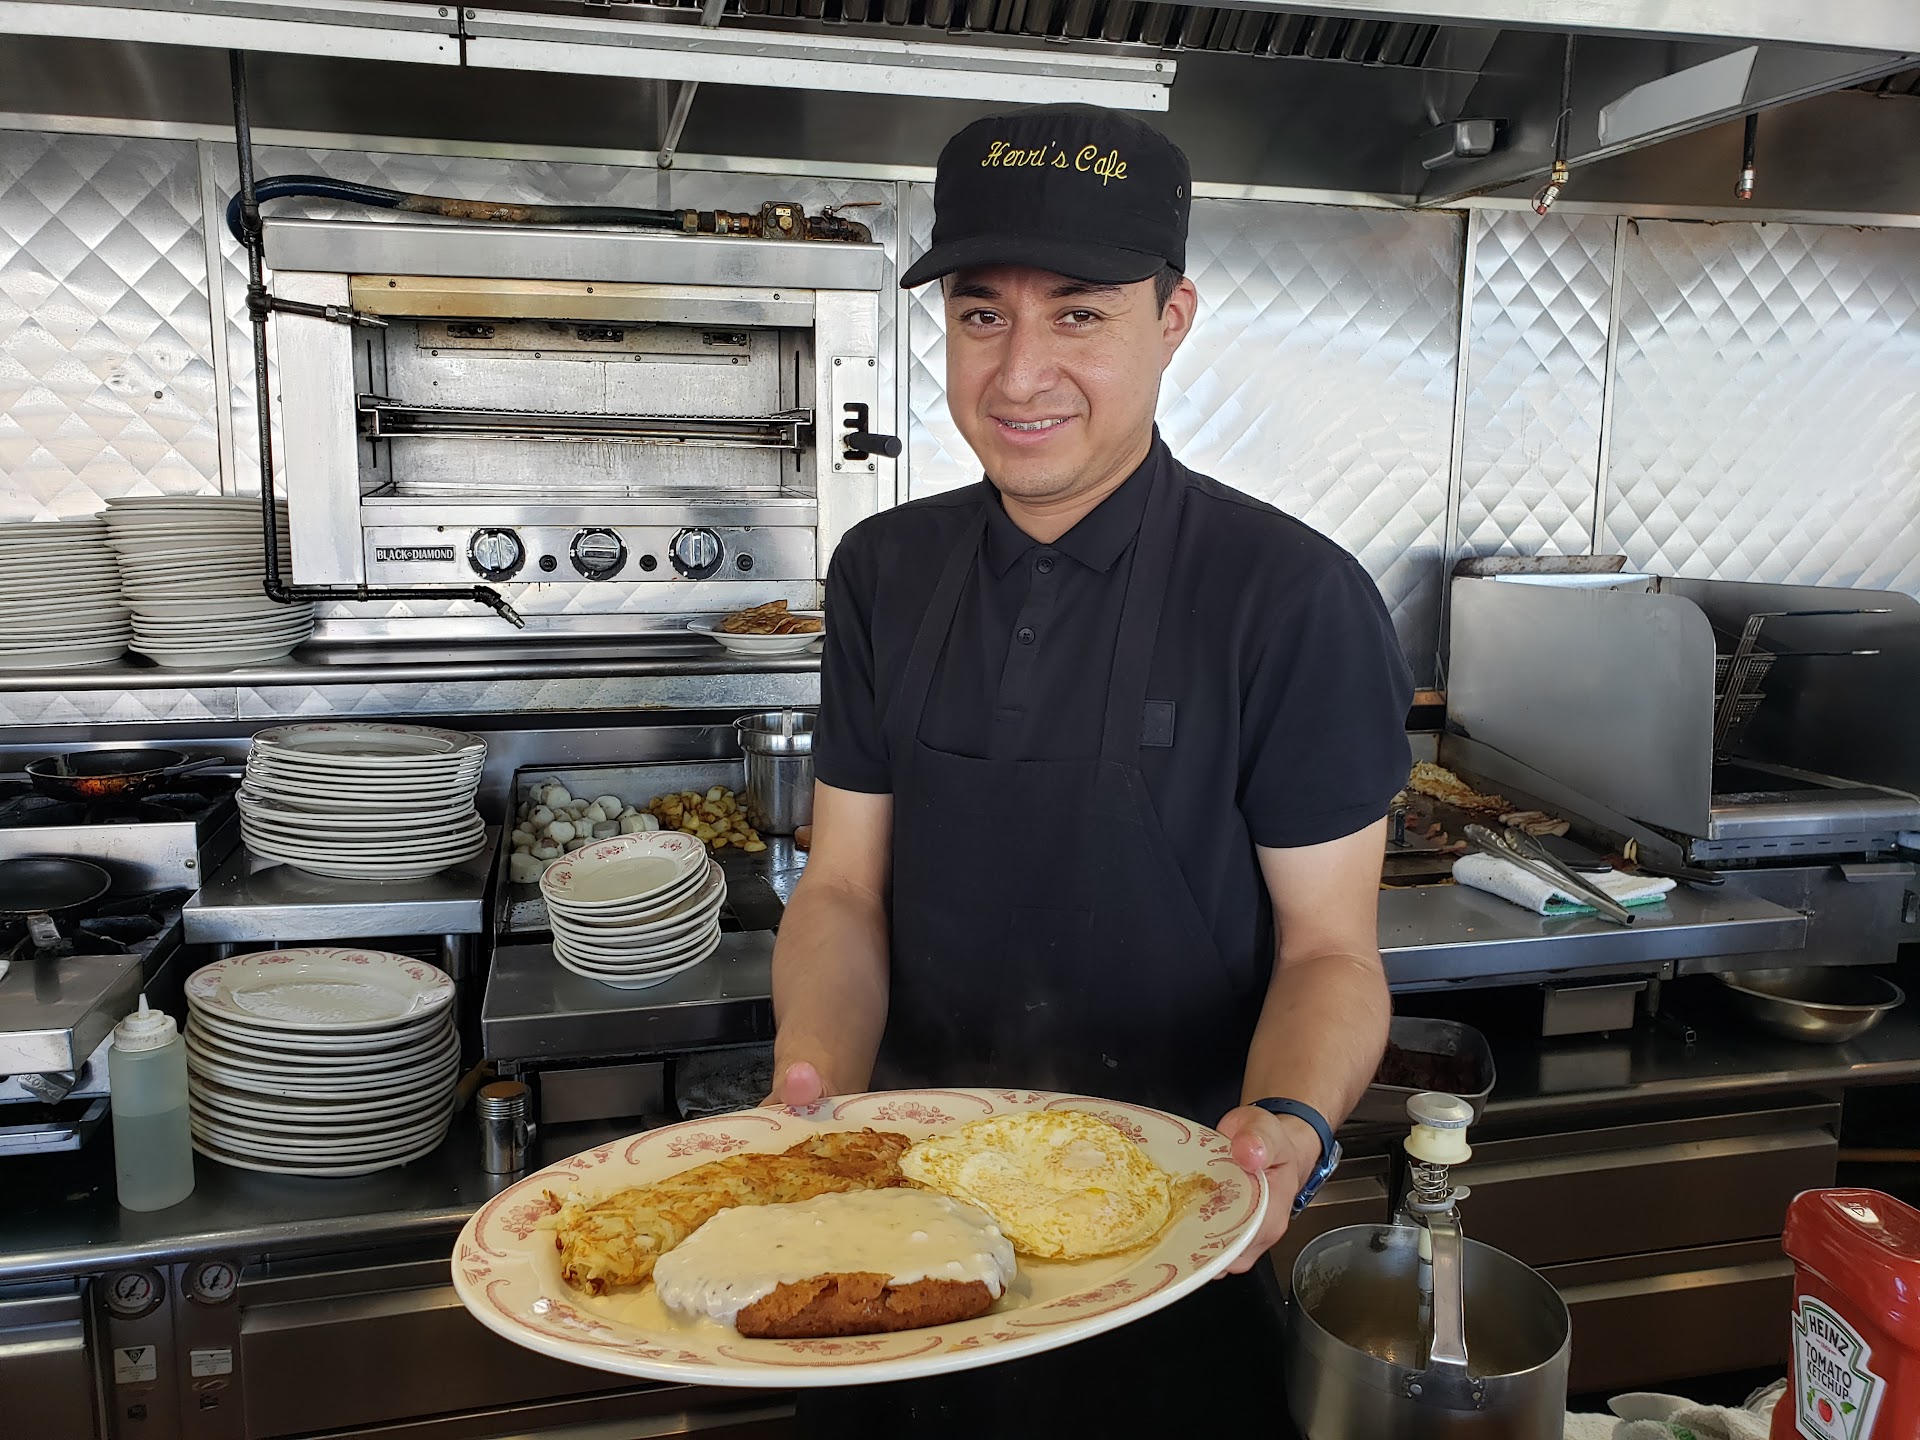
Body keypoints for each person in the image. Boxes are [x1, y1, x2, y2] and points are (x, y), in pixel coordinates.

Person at [768, 103, 1414, 1432]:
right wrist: (812, 1097)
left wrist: (1286, 1124)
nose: (1020, 374)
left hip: (1168, 1238)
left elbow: (1330, 955)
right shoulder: (883, 573)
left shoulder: (1290, 597)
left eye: (1079, 315)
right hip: (904, 1235)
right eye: (982, 315)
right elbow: (841, 892)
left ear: (1173, 320)